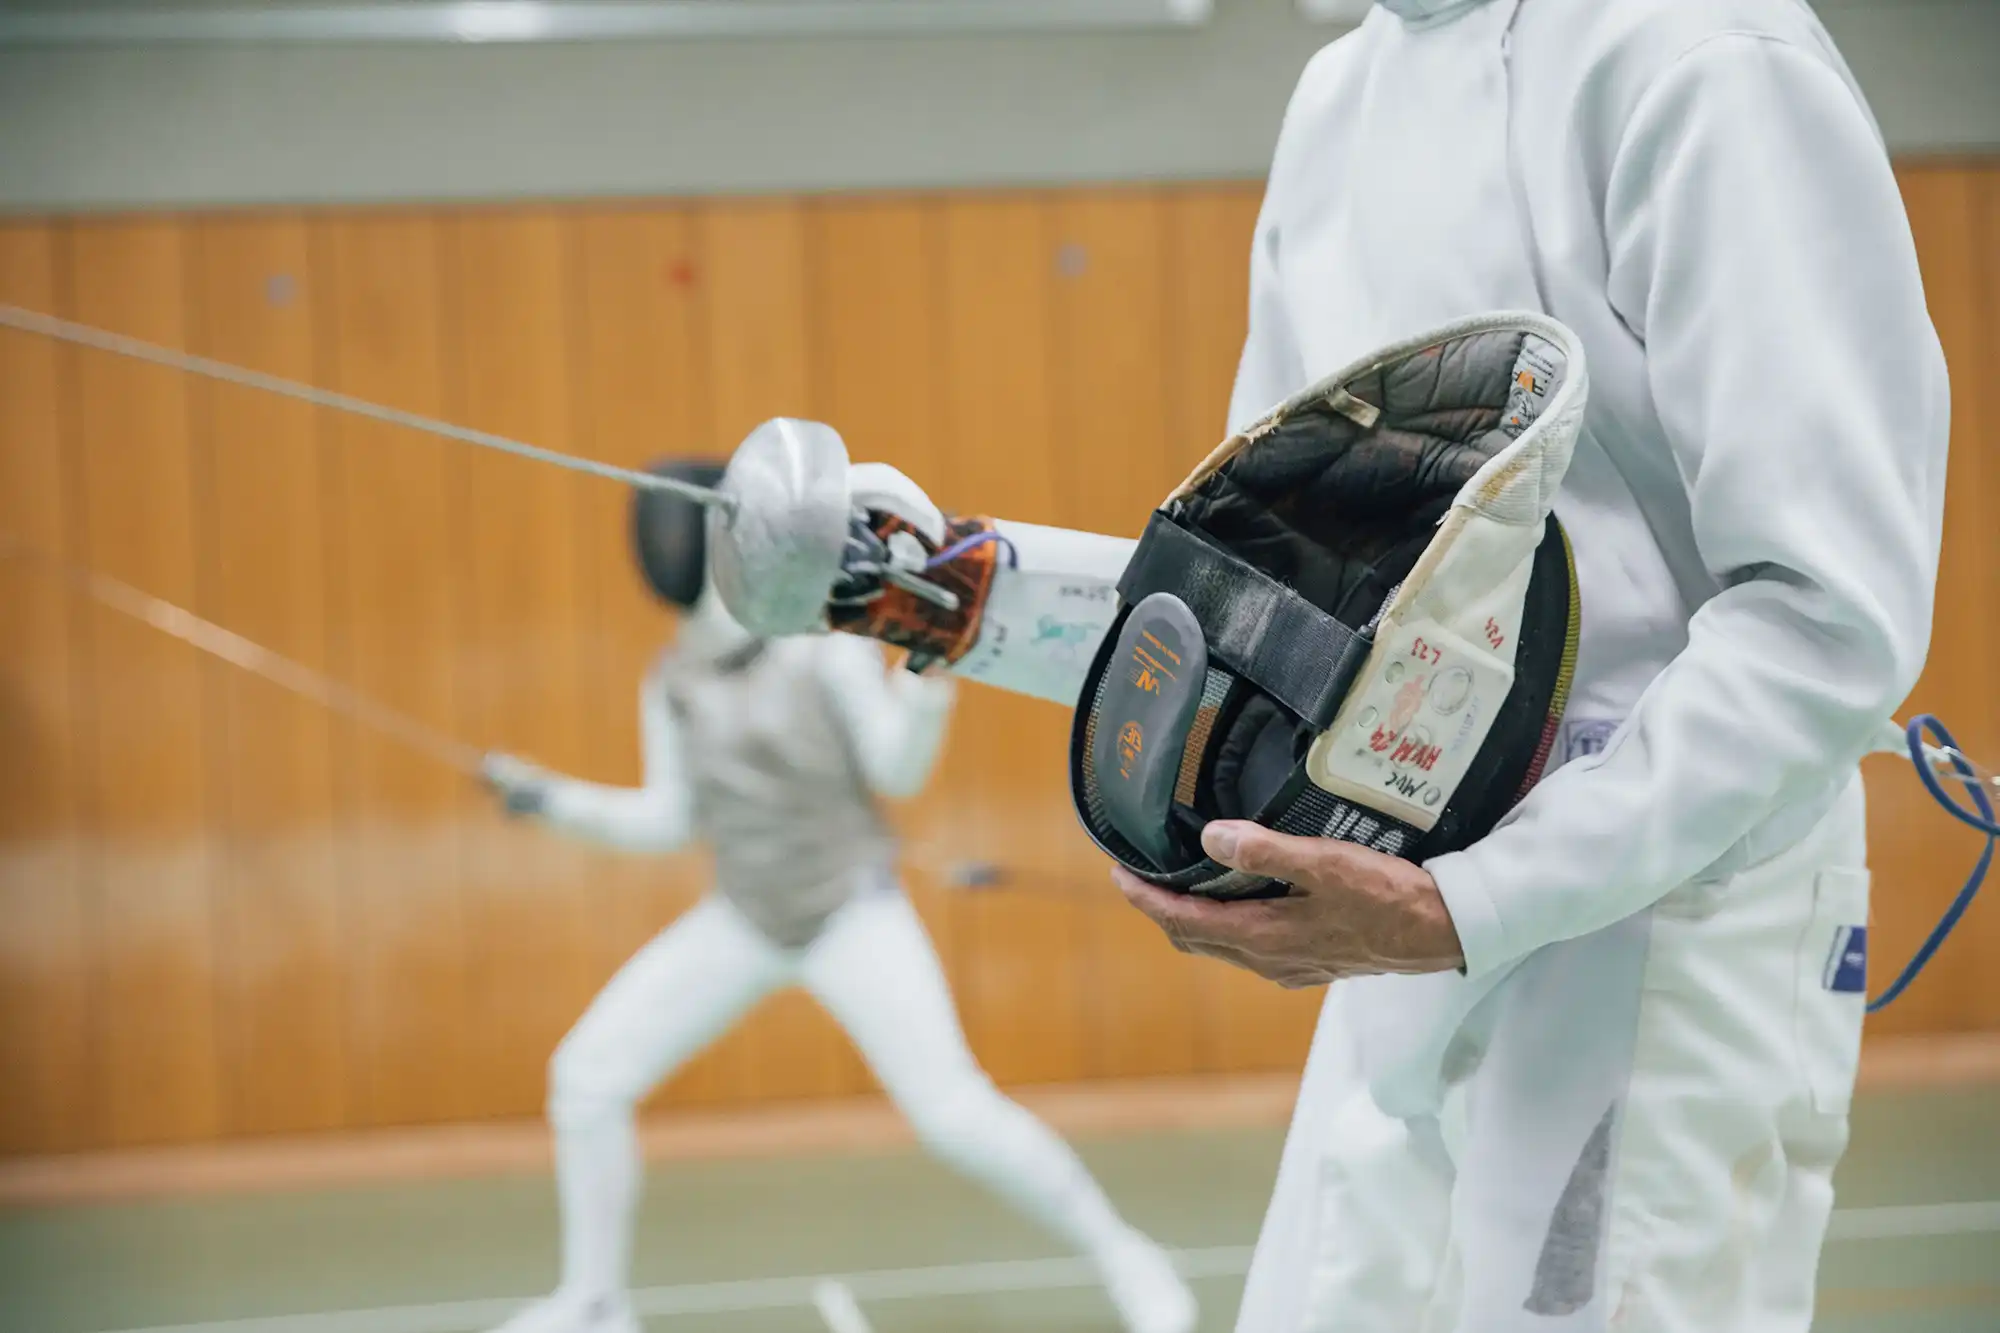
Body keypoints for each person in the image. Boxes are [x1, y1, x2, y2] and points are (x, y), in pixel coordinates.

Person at [763, 2, 1951, 1328]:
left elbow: (1825, 614)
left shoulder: (1705, 61)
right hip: (1405, 912)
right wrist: (963, 593)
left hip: (1664, 936)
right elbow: (1265, 606)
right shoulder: (1342, 94)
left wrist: (1472, 904)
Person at [479, 461, 1197, 1333]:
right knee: (586, 1079)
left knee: (953, 1113)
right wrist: (551, 801)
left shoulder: (818, 643)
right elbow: (671, 819)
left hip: (852, 915)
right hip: (746, 917)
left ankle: (1127, 1256)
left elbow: (896, 767)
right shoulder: (671, 677)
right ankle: (593, 1303)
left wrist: (929, 675)